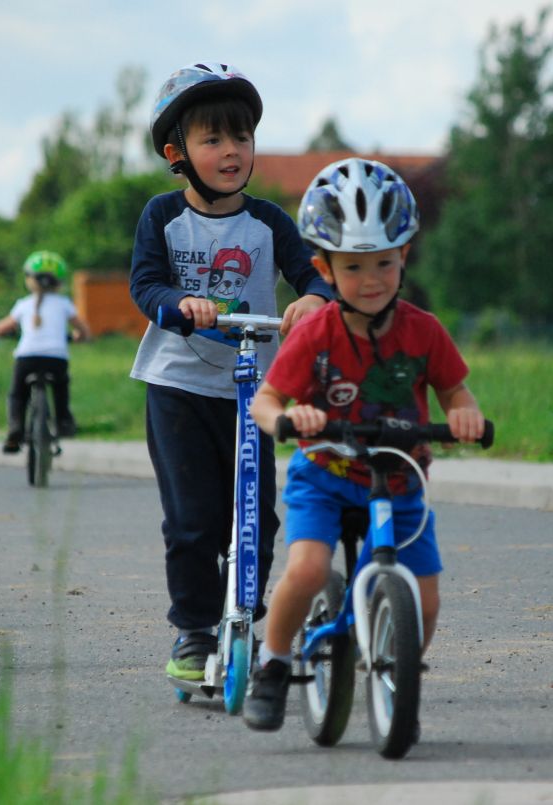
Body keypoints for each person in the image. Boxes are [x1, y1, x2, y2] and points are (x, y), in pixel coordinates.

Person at [241, 158, 486, 732]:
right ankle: (273, 663)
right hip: (325, 475)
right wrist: (288, 416)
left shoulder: (423, 330)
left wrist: (465, 416)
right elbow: (265, 401)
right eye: (353, 267)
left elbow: (455, 392)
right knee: (307, 569)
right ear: (324, 268)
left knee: (425, 601)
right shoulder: (316, 331)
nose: (371, 279)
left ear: (404, 256)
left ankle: (398, 671)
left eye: (384, 262)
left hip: (399, 479)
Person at [130, 62, 332, 681]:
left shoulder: (268, 223)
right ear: (177, 153)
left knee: (255, 517)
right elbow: (146, 284)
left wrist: (313, 298)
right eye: (212, 139)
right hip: (179, 389)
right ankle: (194, 631)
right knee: (194, 519)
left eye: (241, 137)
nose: (230, 151)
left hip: (254, 393)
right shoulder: (163, 215)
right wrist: (179, 303)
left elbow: (314, 277)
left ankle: (243, 614)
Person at [0, 250, 90, 452]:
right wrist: (80, 337)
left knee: (17, 394)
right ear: (59, 282)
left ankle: (15, 429)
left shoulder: (23, 304)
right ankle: (64, 422)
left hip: (26, 358)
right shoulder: (65, 304)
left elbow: (3, 327)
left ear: (29, 280)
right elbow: (83, 330)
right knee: (61, 387)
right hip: (56, 358)